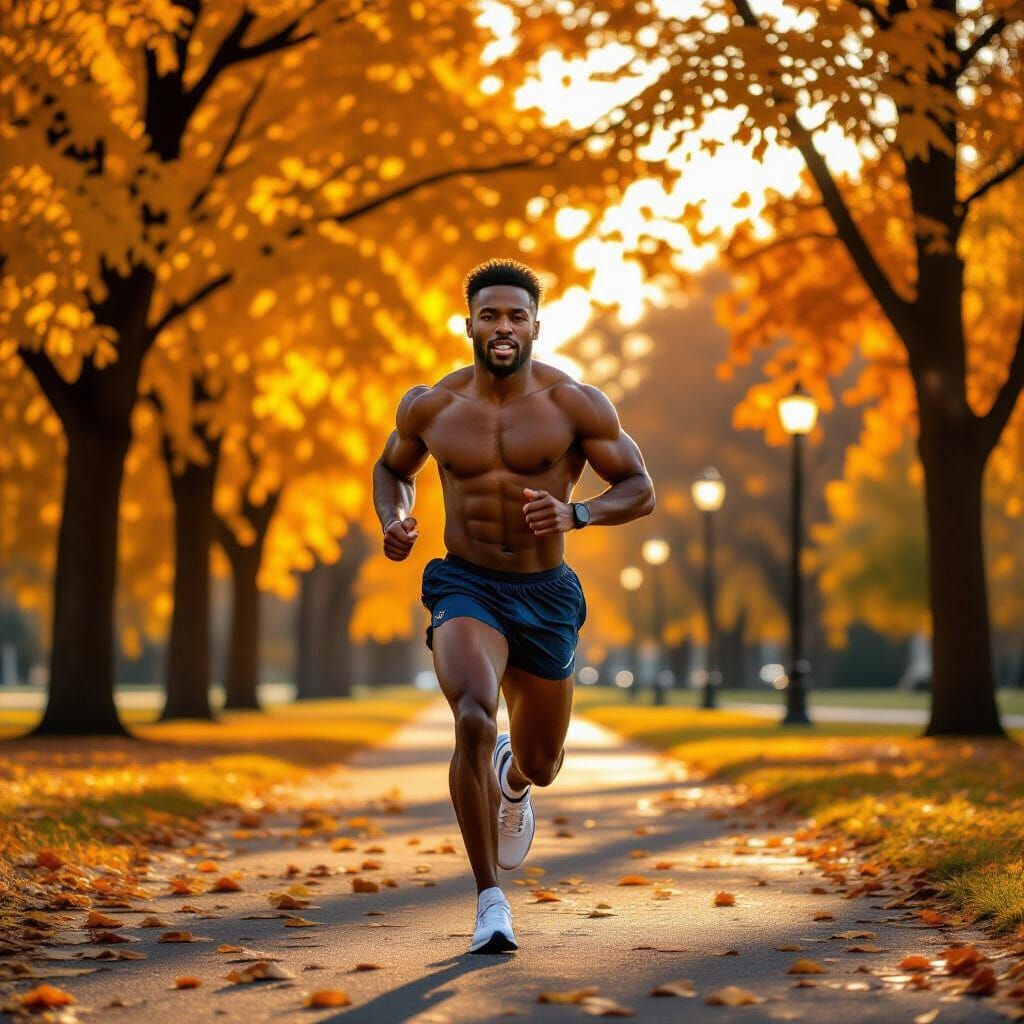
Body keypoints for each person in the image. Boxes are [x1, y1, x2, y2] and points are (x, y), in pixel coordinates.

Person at [372, 259, 655, 954]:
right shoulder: (430, 406)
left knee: (544, 762)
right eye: (490, 315)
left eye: (516, 316)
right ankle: (489, 901)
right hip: (465, 583)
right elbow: (391, 469)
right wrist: (395, 518)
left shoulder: (574, 403)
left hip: (546, 593)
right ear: (467, 322)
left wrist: (578, 513)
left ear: (535, 325)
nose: (503, 327)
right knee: (472, 713)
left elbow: (639, 486)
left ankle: (513, 778)